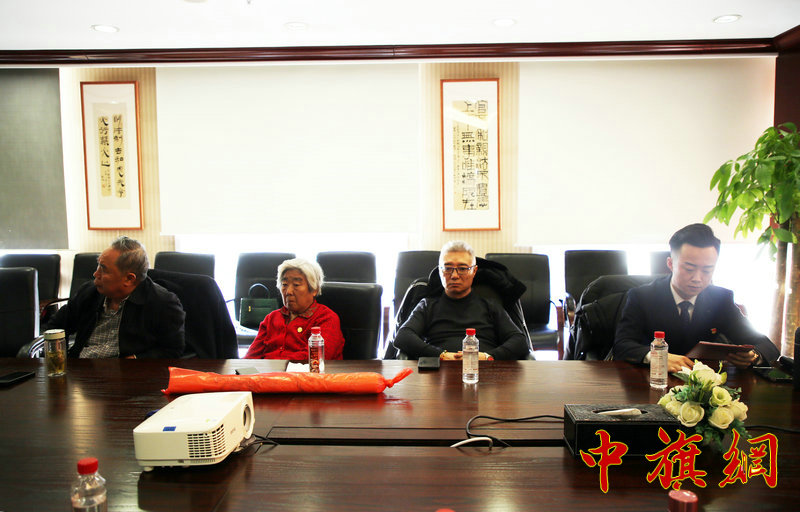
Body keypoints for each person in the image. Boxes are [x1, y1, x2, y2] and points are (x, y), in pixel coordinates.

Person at [613, 223, 780, 371]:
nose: (697, 278)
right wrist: (657, 357)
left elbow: (766, 345)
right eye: (689, 269)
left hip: (703, 385)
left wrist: (753, 356)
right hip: (652, 381)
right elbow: (622, 345)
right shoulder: (642, 297)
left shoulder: (721, 299)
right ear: (670, 264)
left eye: (707, 270)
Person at [47, 236, 185, 358]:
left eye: (103, 269)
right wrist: (60, 359)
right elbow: (56, 326)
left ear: (129, 279)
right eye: (98, 265)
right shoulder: (89, 292)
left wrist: (135, 360)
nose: (95, 274)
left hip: (125, 374)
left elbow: (172, 350)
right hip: (82, 369)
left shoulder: (162, 303)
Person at [393, 241, 529, 360]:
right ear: (439, 271)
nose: (454, 275)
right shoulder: (427, 305)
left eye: (462, 269)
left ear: (474, 271)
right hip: (438, 372)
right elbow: (403, 336)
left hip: (484, 371)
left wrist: (487, 357)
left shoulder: (490, 306)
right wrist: (442, 355)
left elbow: (520, 341)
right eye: (447, 268)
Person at [244, 258, 344, 360]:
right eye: (284, 285)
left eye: (296, 285)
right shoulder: (271, 318)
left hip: (305, 370)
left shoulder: (326, 319)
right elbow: (250, 357)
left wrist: (275, 364)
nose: (288, 291)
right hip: (268, 370)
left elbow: (315, 358)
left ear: (314, 289)